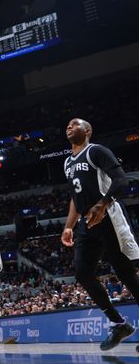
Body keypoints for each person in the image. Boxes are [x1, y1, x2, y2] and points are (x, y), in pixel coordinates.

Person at [61, 118, 139, 351]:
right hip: (87, 222)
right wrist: (68, 226)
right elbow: (76, 198)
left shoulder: (97, 151)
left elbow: (121, 180)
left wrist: (103, 204)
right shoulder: (67, 162)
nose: (69, 126)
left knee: (126, 272)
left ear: (87, 131)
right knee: (83, 273)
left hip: (109, 217)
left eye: (75, 124)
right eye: (67, 125)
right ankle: (118, 323)